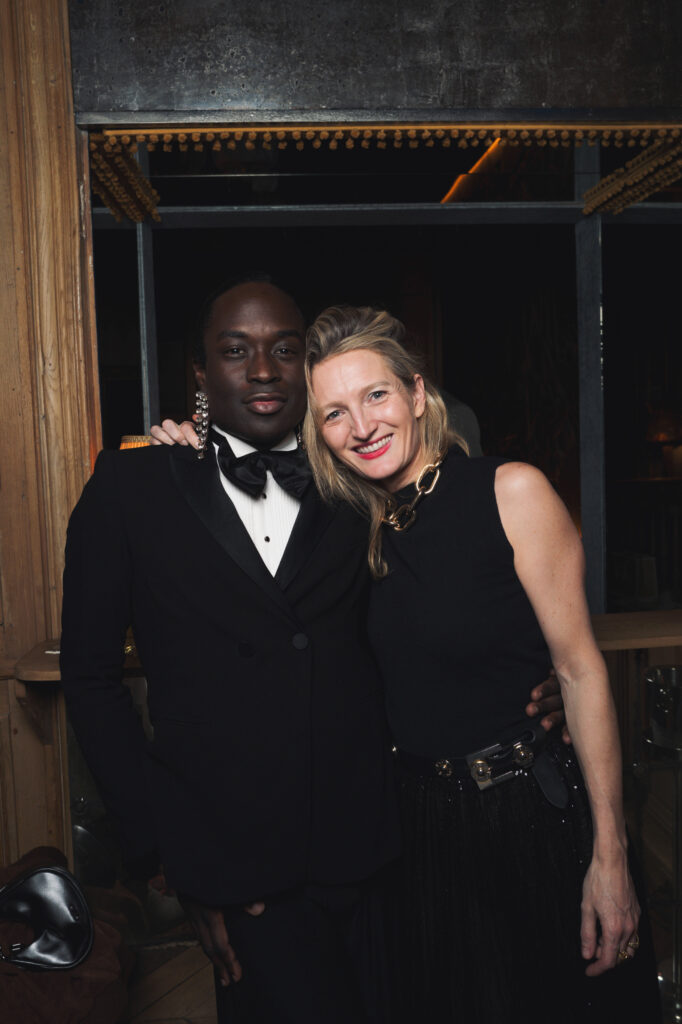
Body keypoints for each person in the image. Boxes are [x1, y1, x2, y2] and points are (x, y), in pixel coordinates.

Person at [61, 279, 565, 1024]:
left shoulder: (358, 479)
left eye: (284, 350)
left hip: (380, 848)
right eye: (236, 351)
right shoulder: (130, 487)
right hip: (240, 871)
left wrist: (544, 680)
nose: (263, 369)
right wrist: (167, 855)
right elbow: (90, 678)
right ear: (200, 372)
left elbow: (446, 596)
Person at [301, 304, 662, 1024]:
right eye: (334, 413)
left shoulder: (511, 492)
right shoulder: (350, 531)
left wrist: (612, 856)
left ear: (416, 393)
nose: (362, 426)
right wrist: (188, 440)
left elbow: (580, 672)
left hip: (528, 814)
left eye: (376, 395)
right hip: (419, 836)